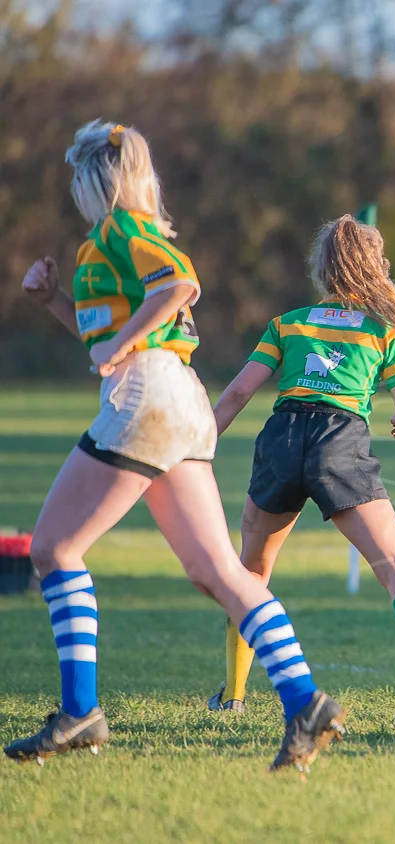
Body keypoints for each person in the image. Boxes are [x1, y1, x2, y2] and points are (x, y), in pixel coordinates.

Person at [5, 120, 343, 772]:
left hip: (150, 395)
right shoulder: (120, 239)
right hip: (182, 400)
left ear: (93, 181)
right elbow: (109, 329)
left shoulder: (120, 228)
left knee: (54, 548)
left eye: (77, 181)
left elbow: (177, 288)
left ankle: (81, 711)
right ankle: (305, 701)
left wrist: (123, 343)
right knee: (216, 572)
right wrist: (54, 301)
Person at [208, 216, 395, 715]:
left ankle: (232, 695)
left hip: (282, 437)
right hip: (340, 441)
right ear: (376, 266)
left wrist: (196, 444)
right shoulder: (387, 329)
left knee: (251, 573)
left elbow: (238, 392)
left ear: (323, 269)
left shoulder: (289, 323)